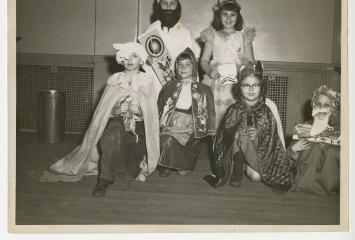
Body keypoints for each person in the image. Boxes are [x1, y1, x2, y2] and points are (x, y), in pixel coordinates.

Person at [41, 43, 160, 196]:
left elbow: (151, 113)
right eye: (126, 57)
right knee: (112, 136)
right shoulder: (115, 81)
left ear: (142, 60)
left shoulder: (147, 82)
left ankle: (120, 164)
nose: (130, 60)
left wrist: (141, 111)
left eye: (134, 56)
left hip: (139, 127)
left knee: (130, 173)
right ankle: (104, 180)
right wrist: (115, 110)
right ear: (121, 60)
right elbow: (102, 111)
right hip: (117, 122)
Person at [205, 61, 293, 192]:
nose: (251, 89)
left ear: (261, 87)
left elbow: (275, 134)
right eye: (246, 85)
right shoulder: (234, 109)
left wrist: (259, 133)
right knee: (239, 132)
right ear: (239, 88)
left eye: (255, 85)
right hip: (239, 146)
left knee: (256, 177)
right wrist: (233, 134)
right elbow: (223, 134)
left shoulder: (268, 107)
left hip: (260, 150)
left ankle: (248, 165)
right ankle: (237, 169)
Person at [157, 47, 216, 177]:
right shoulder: (169, 87)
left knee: (183, 172)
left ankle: (175, 161)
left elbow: (210, 113)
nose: (183, 68)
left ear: (194, 67)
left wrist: (211, 131)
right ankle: (164, 164)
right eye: (180, 65)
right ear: (175, 68)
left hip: (191, 128)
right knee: (166, 138)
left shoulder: (204, 89)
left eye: (187, 64)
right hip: (171, 124)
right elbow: (160, 108)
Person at [200, 0, 256, 129]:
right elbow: (203, 60)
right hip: (217, 84)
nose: (228, 18)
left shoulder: (244, 36)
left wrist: (245, 68)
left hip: (237, 83)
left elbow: (251, 63)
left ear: (238, 17)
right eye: (225, 14)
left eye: (233, 15)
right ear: (219, 16)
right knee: (217, 120)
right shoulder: (212, 35)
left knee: (236, 121)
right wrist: (209, 71)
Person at [289, 85, 341, 195]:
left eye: (326, 105)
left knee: (333, 151)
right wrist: (293, 151)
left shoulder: (339, 131)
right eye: (318, 104)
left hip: (329, 188)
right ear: (314, 107)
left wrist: (328, 148)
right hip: (303, 186)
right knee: (312, 147)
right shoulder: (303, 128)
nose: (321, 108)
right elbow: (291, 162)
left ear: (333, 109)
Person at [142, 0, 196, 91]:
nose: (168, 7)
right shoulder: (151, 29)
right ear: (159, 7)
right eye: (164, 3)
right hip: (153, 84)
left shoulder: (184, 32)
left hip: (177, 84)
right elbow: (143, 58)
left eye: (172, 4)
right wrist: (147, 61)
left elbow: (190, 63)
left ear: (178, 7)